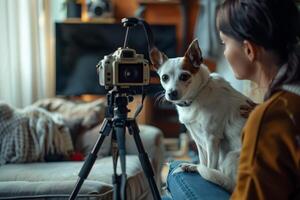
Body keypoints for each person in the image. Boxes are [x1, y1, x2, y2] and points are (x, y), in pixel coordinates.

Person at [164, 0, 300, 199]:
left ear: (249, 50)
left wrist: (265, 118)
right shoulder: (285, 103)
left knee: (175, 173)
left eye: (224, 43)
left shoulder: (270, 117)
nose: (224, 52)